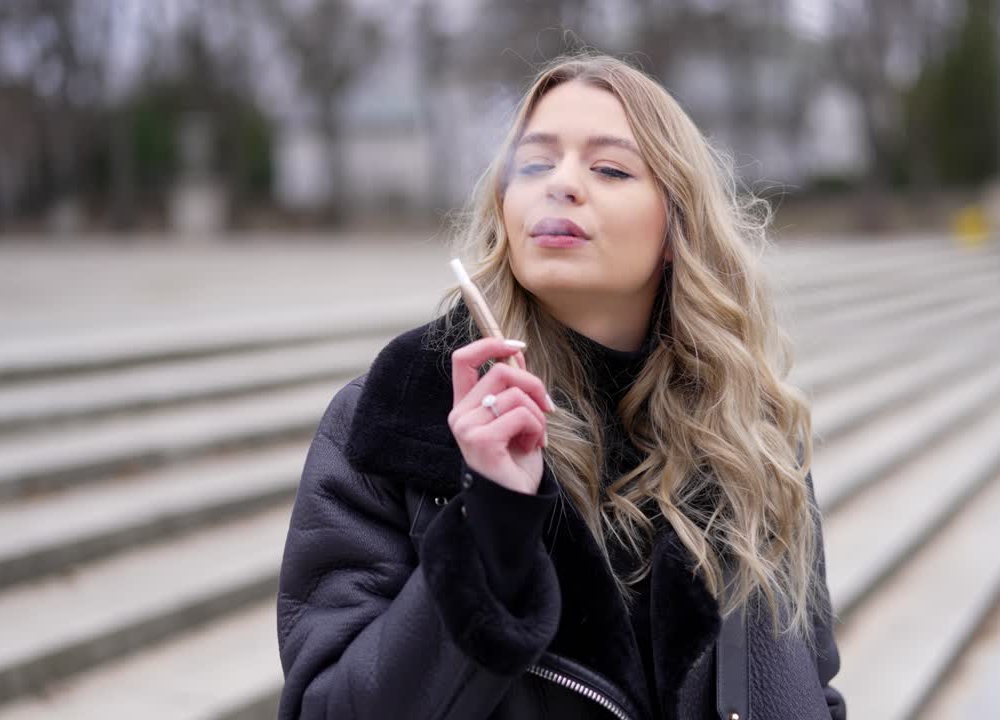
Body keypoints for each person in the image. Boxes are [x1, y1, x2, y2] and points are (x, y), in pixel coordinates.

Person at [276, 53, 845, 720]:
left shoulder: (752, 434)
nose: (562, 185)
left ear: (676, 227)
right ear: (505, 204)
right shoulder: (398, 420)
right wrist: (489, 529)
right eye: (536, 163)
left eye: (609, 168)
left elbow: (812, 686)